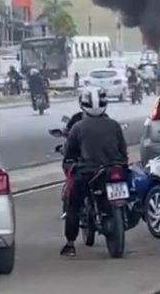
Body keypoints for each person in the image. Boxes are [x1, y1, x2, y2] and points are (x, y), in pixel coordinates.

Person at [60, 87, 127, 257]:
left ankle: (70, 243)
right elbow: (123, 151)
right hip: (115, 169)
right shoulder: (114, 125)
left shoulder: (78, 127)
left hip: (88, 173)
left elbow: (69, 154)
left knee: (73, 204)